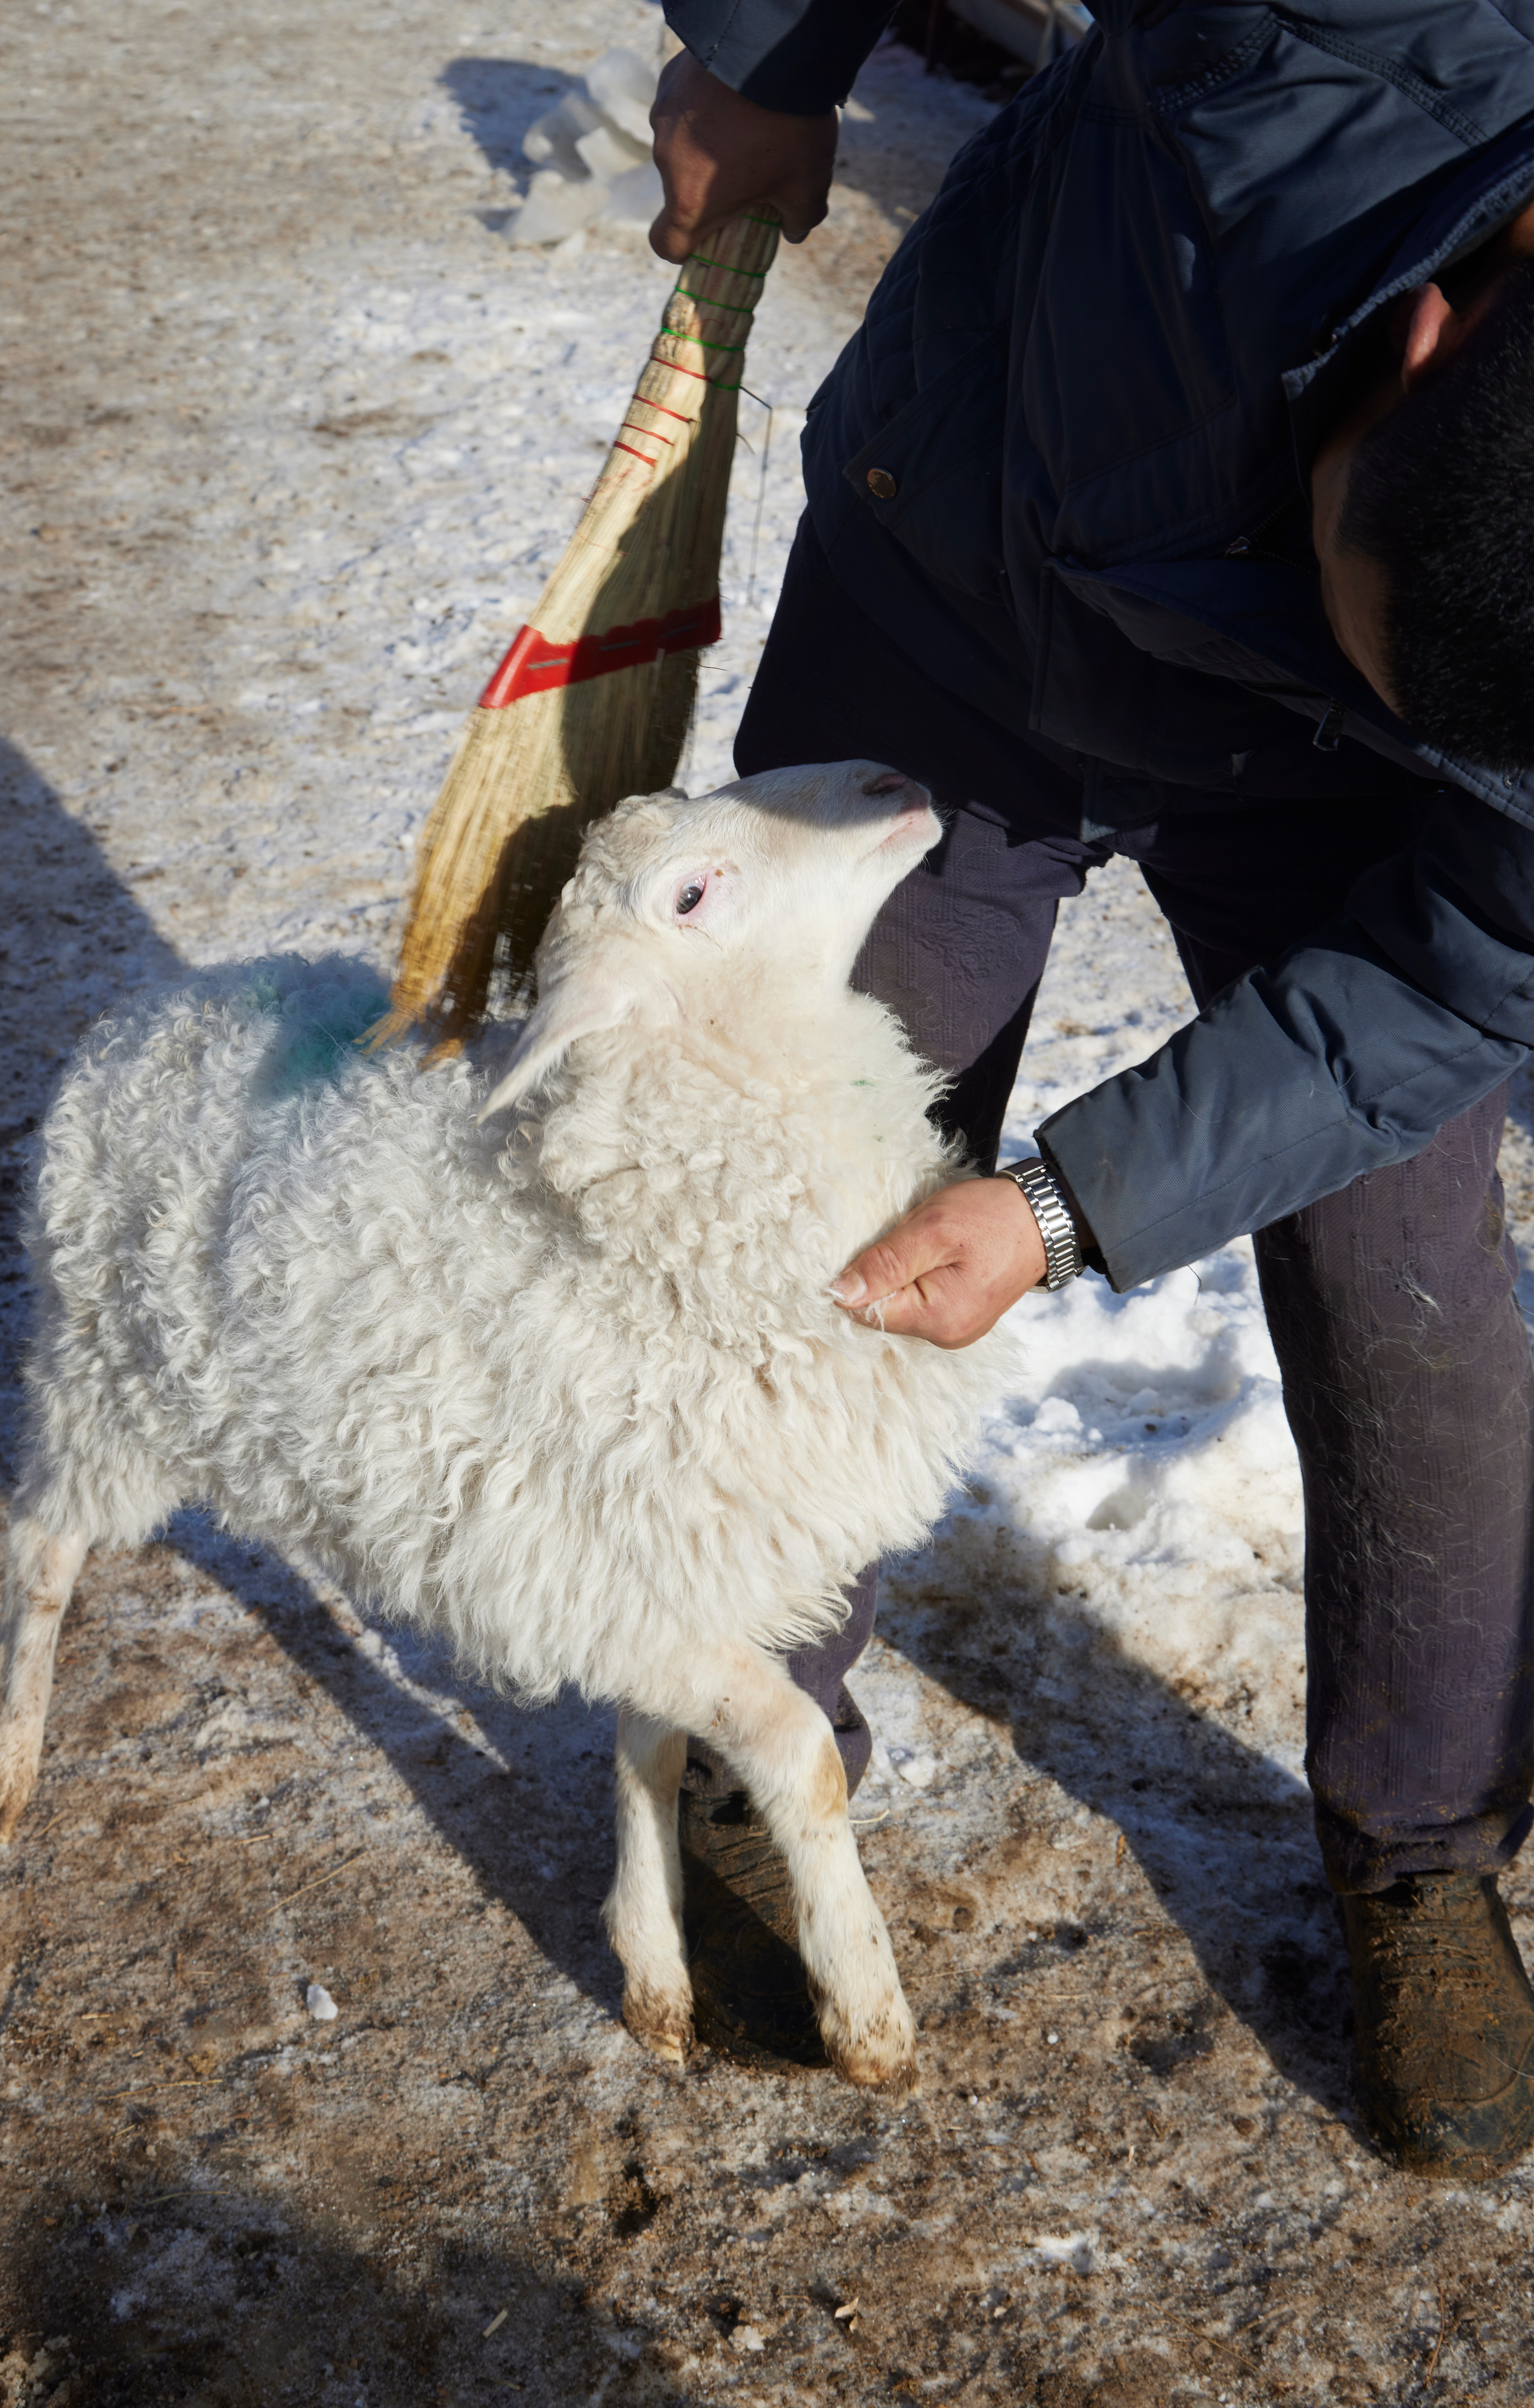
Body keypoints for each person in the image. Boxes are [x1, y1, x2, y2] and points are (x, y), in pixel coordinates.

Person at [648, 0, 1534, 2178]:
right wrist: (766, 63)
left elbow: (1438, 980)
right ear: (1418, 346)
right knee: (823, 1161)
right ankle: (752, 1728)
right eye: (1340, 583)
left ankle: (1421, 1843)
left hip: (1335, 781)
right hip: (955, 579)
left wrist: (1054, 1212)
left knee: (1409, 1261)